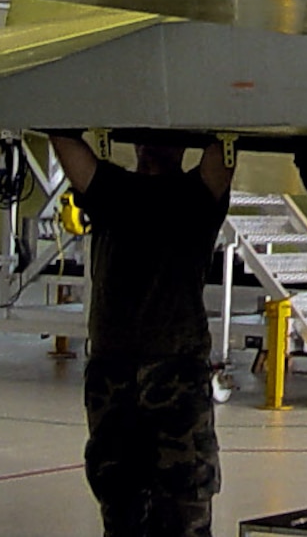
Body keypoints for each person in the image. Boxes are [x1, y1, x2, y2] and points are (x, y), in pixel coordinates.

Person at [49, 131, 234, 537]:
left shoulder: (195, 196)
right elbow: (63, 141)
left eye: (165, 137)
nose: (154, 145)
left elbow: (225, 148)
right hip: (115, 372)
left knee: (186, 506)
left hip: (175, 373)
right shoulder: (113, 191)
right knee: (119, 502)